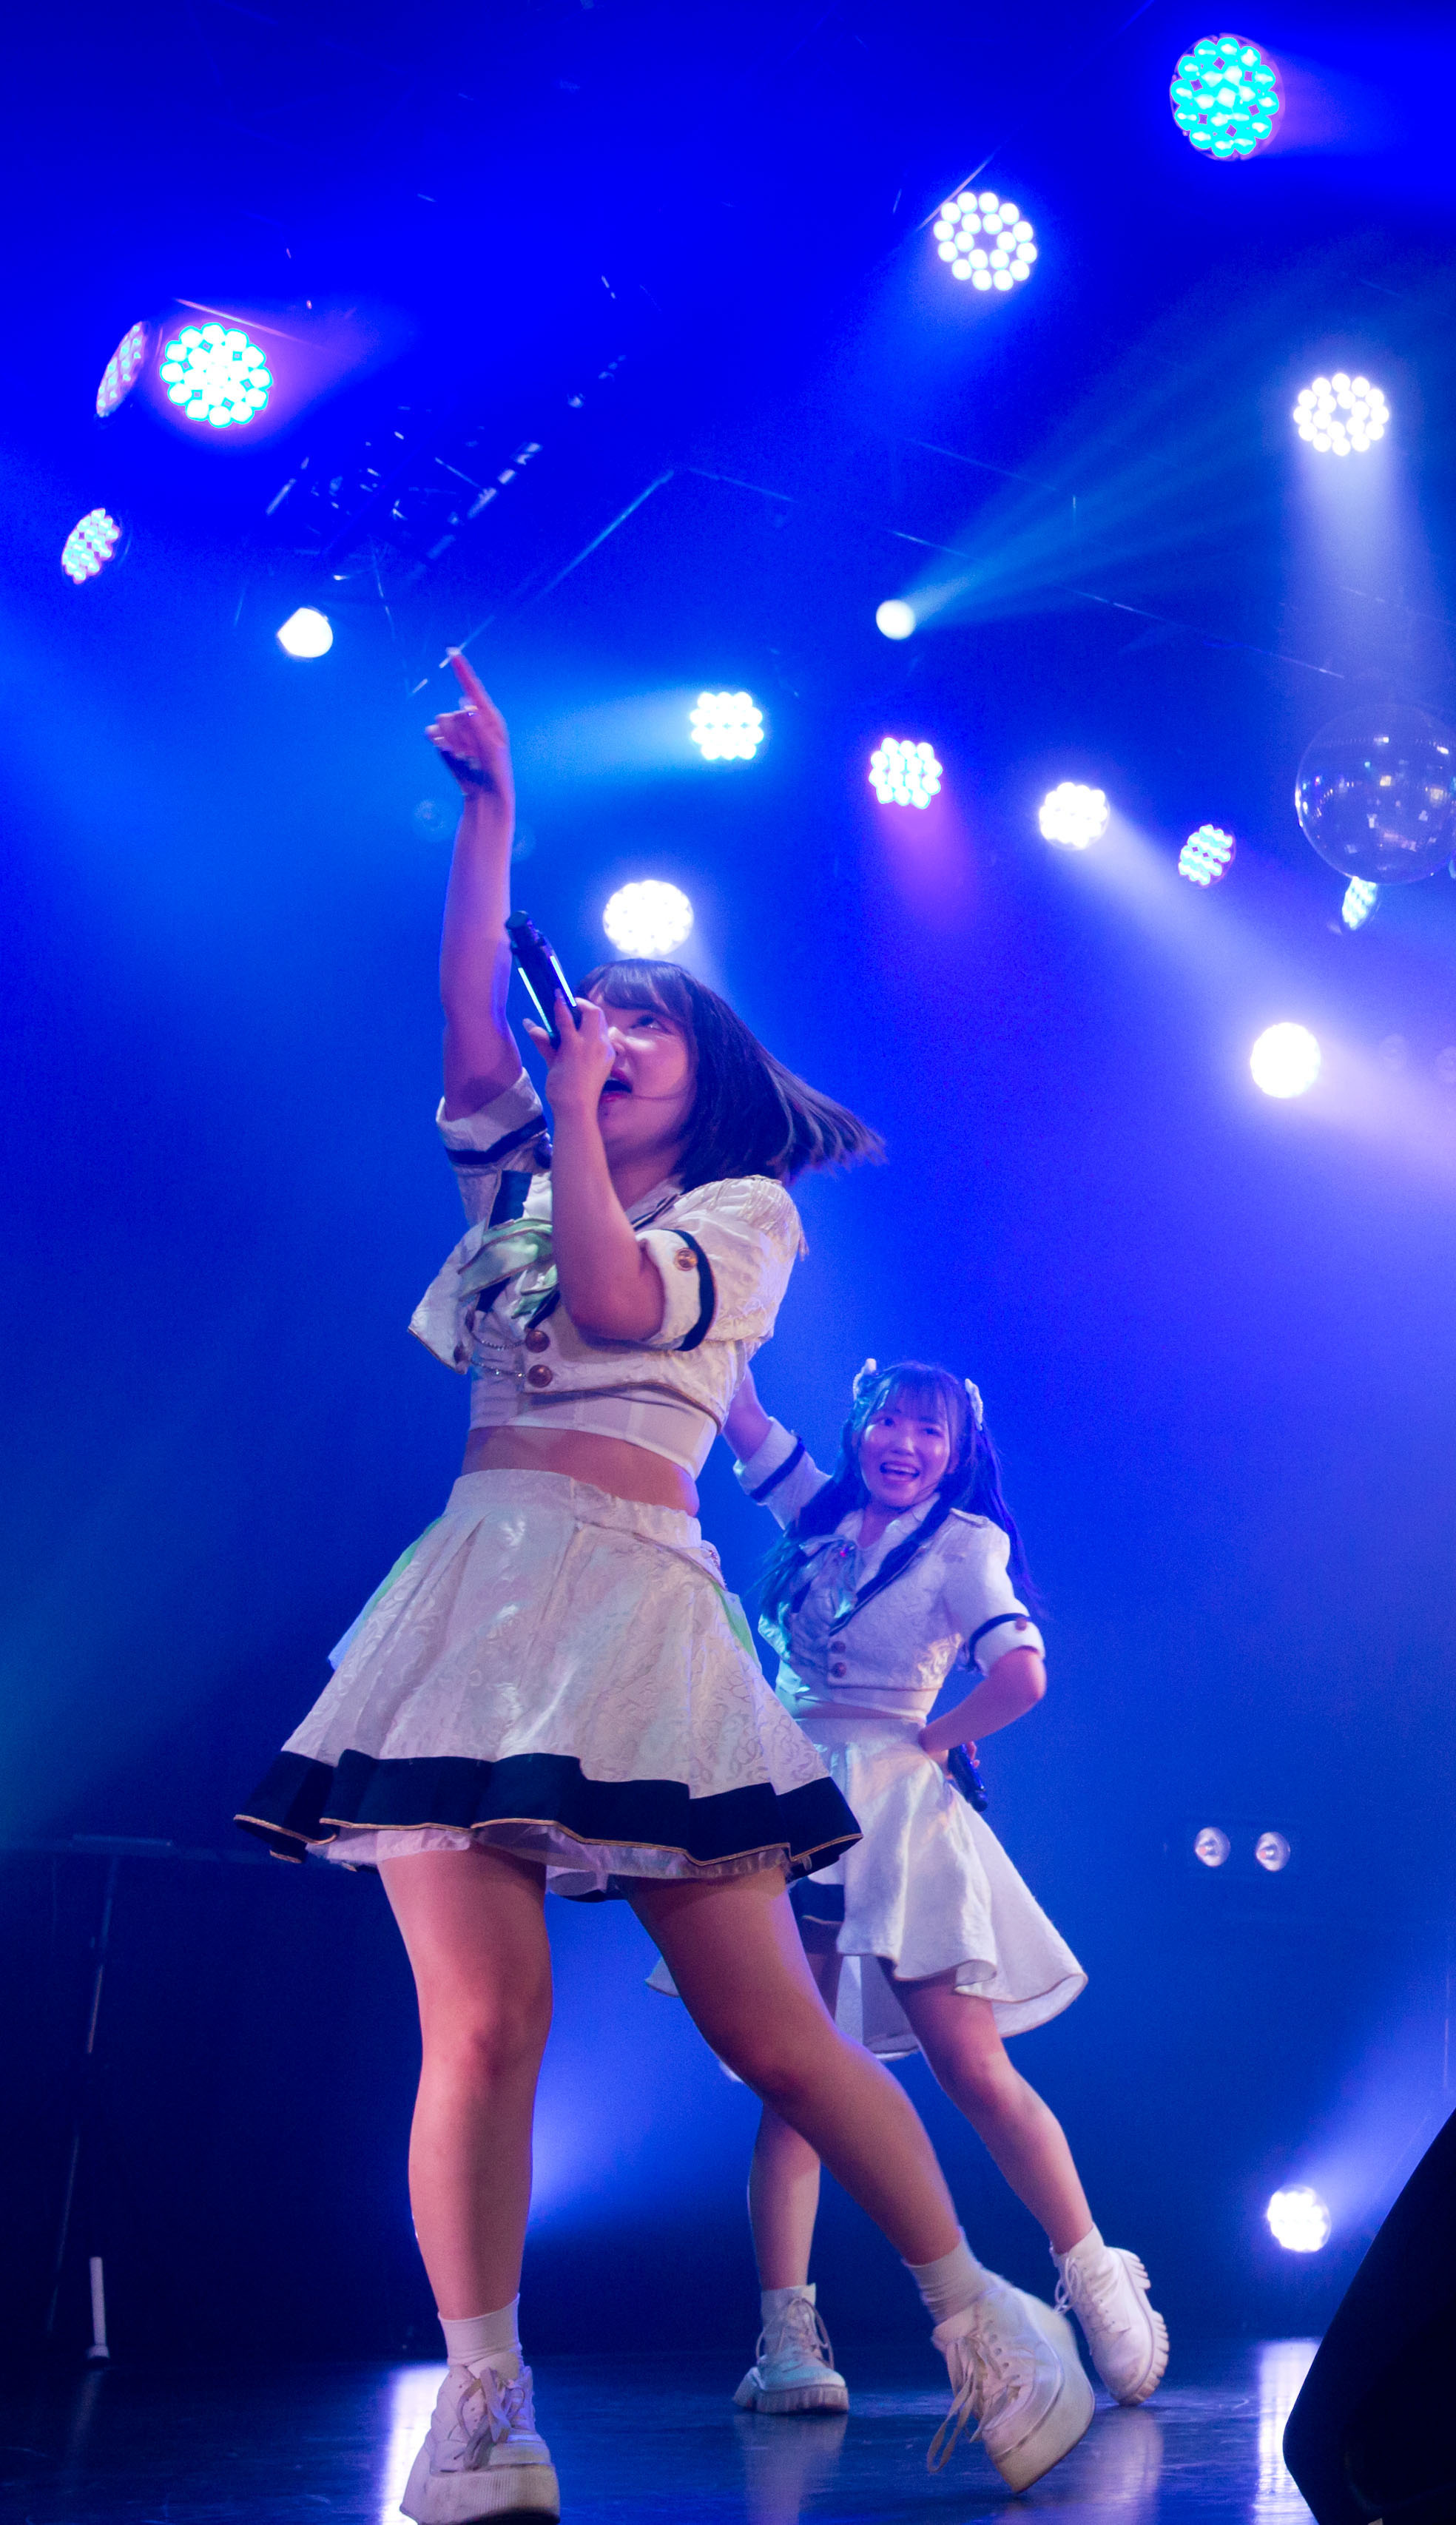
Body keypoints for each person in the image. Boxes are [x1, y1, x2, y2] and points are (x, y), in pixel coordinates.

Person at [232, 656, 1091, 2518]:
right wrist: (492, 814)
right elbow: (466, 1012)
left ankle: (979, 2315)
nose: (604, 1031)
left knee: (771, 2029)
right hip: (472, 1603)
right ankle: (484, 2402)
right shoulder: (514, 1181)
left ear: (700, 1089)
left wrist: (570, 1110)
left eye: (647, 1023)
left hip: (641, 1613)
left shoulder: (744, 1215)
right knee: (481, 2026)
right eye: (595, 1010)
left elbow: (624, 1307)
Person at [667, 1358, 1166, 2413]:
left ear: (957, 1450)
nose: (905, 1443)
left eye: (929, 1431)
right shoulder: (817, 1513)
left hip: (898, 1817)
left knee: (972, 2067)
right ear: (860, 1429)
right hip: (788, 1804)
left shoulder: (965, 1543)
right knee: (795, 2077)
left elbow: (1022, 1674)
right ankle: (787, 2339)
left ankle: (1094, 2273)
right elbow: (743, 1410)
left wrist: (927, 1744)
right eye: (890, 1421)